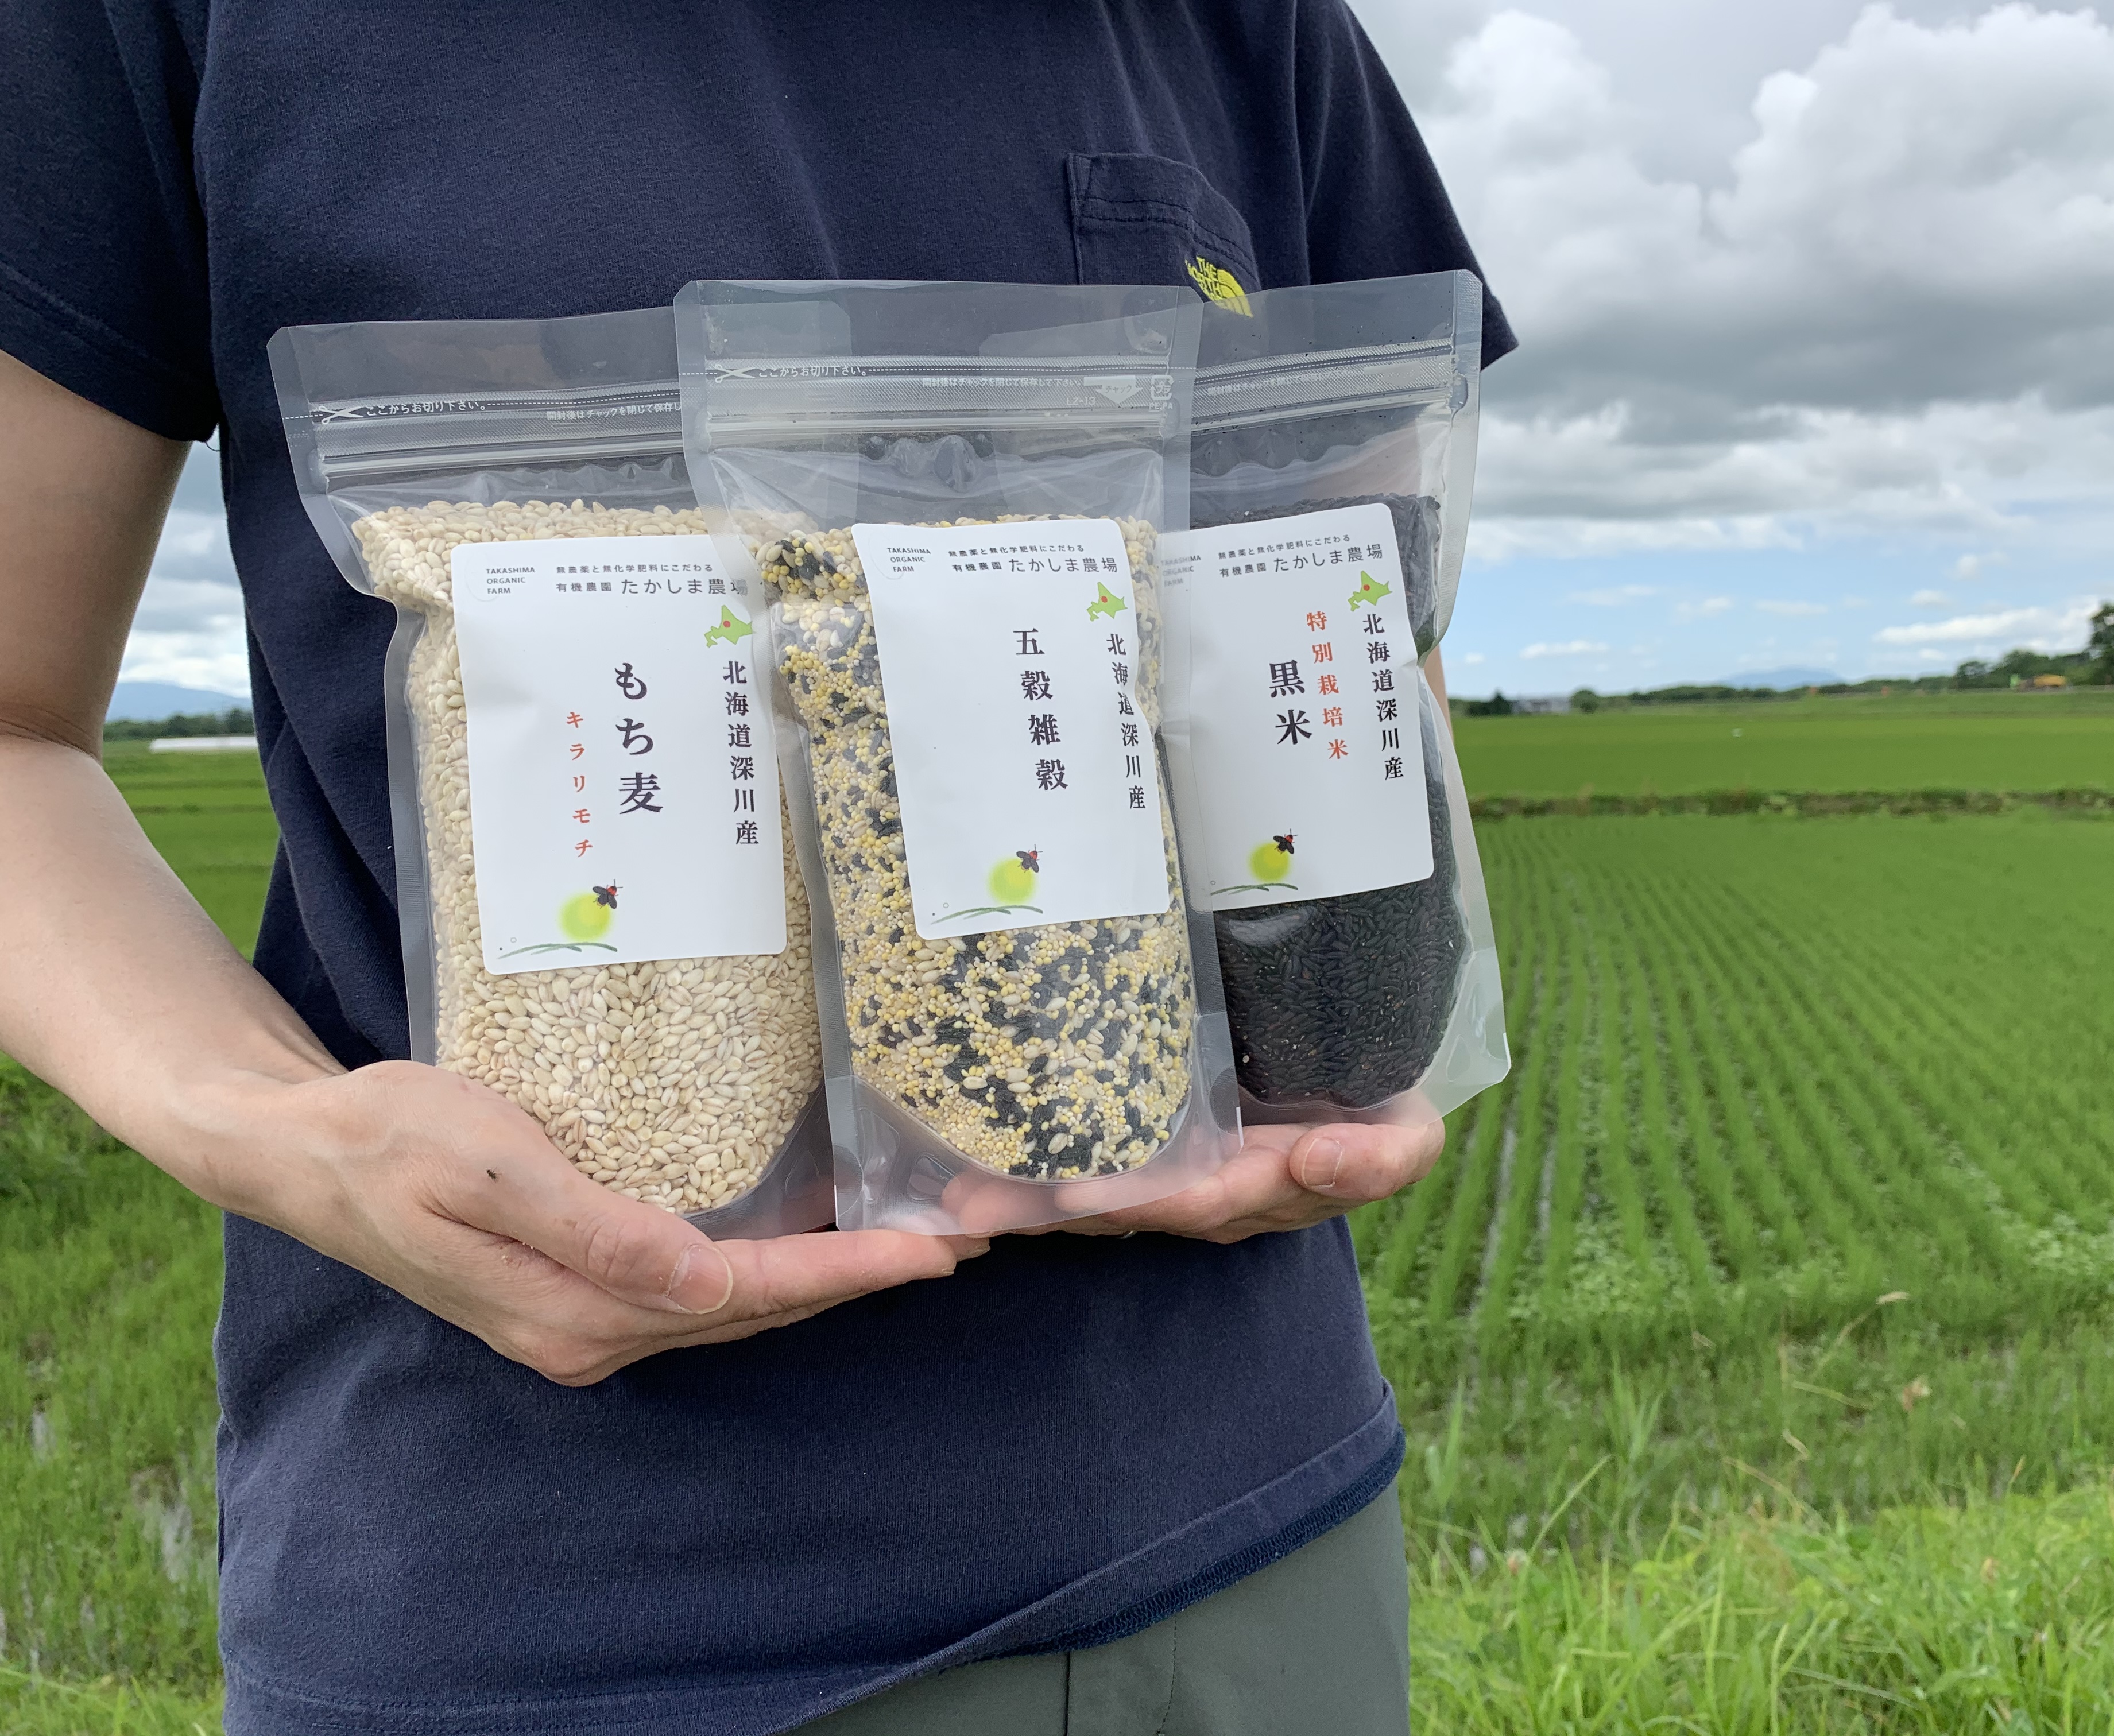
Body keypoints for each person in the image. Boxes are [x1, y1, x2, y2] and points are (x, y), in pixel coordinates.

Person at [0, 5, 1513, 1731]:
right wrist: (270, 1126)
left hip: (1263, 1524)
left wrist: (1353, 1039)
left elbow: (1358, 610)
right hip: (569, 1616)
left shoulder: (1246, 25)